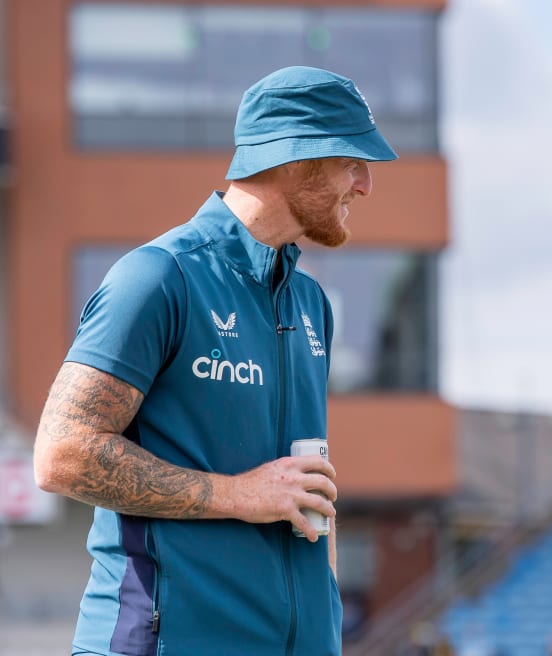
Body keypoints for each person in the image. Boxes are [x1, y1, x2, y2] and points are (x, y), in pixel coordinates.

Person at [32, 66, 398, 656]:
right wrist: (237, 494)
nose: (364, 185)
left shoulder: (310, 304)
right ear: (294, 159)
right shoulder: (157, 279)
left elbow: (304, 485)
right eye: (353, 161)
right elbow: (62, 455)